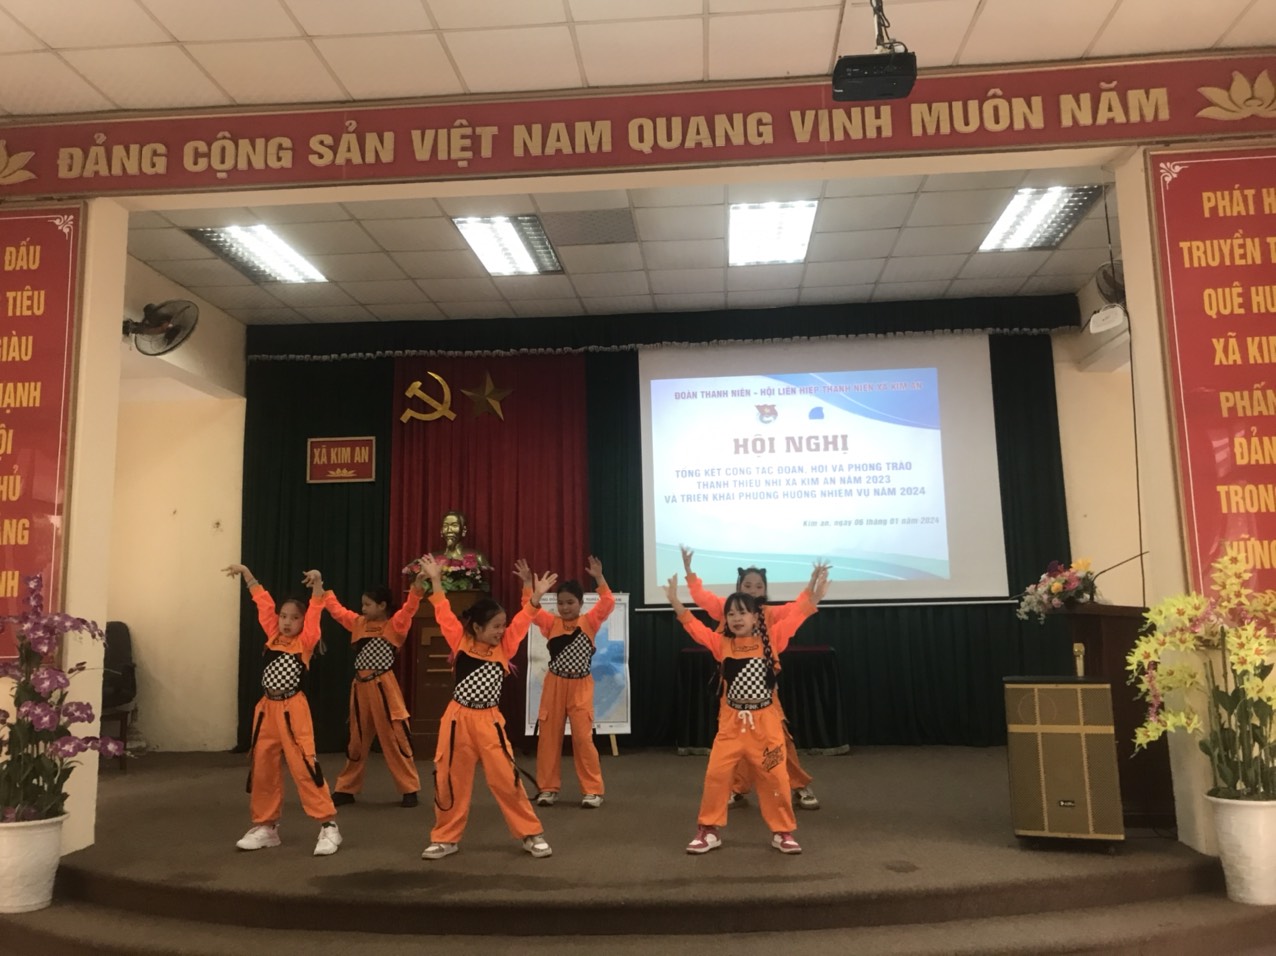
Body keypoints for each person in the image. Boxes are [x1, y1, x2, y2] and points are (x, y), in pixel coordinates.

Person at [664, 566, 828, 855]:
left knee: (775, 778)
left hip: (766, 725)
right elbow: (694, 627)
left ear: (755, 616)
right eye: (731, 614)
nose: (736, 618)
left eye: (742, 613)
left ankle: (782, 832)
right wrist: (675, 601)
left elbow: (797, 616)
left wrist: (814, 595)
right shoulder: (721, 643)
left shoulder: (773, 638)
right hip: (731, 725)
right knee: (717, 775)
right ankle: (708, 830)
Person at [418, 553, 557, 860]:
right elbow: (442, 611)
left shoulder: (505, 646)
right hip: (457, 720)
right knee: (449, 779)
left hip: (489, 722)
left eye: (502, 625)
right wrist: (436, 580)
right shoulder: (460, 642)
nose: (501, 631)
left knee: (506, 778)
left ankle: (530, 833)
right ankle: (445, 837)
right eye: (495, 626)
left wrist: (535, 597)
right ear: (477, 628)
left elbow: (523, 621)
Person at [224, 562, 341, 857]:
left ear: (303, 621)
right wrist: (248, 574)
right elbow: (263, 604)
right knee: (263, 767)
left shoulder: (305, 641)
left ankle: (328, 825)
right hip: (267, 710)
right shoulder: (273, 635)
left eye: (294, 618)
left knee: (304, 766)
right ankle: (266, 826)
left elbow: (316, 611)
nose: (287, 622)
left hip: (293, 710)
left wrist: (318, 584)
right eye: (284, 616)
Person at [309, 568, 427, 808]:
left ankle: (409, 788)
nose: (363, 608)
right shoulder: (358, 623)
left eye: (368, 604)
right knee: (357, 740)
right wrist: (319, 584)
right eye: (362, 604)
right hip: (361, 687)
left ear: (382, 606)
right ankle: (346, 788)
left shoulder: (395, 625)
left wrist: (418, 586)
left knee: (395, 737)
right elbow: (336, 610)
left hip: (384, 686)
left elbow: (409, 609)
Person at [518, 556, 615, 809]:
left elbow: (608, 602)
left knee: (583, 739)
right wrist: (528, 583)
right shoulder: (551, 623)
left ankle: (593, 790)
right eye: (560, 603)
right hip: (554, 685)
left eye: (570, 602)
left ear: (580, 603)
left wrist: (599, 577)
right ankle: (548, 788)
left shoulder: (589, 621)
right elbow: (529, 609)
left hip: (581, 685)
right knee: (548, 738)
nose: (565, 607)